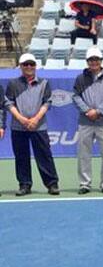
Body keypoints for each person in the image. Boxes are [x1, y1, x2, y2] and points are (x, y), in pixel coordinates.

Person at [5, 53, 60, 196]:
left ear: (35, 66)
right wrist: (21, 119)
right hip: (19, 127)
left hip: (38, 126)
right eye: (25, 64)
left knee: (44, 155)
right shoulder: (13, 83)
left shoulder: (44, 83)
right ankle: (25, 185)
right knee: (21, 156)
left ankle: (52, 184)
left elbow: (47, 102)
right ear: (21, 67)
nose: (29, 67)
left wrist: (35, 119)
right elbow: (9, 103)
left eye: (31, 64)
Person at [73, 46, 103, 195]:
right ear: (87, 62)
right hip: (85, 122)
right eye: (91, 60)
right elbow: (76, 96)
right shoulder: (80, 78)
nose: (94, 62)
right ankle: (85, 183)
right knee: (84, 154)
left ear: (101, 61)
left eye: (96, 59)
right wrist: (87, 111)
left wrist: (98, 111)